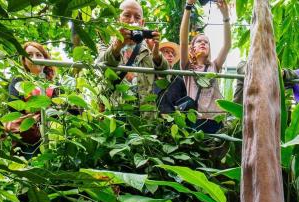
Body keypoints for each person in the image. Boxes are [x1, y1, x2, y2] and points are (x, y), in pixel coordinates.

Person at [97, 0, 168, 114]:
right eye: (127, 15)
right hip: (113, 112)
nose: (132, 21)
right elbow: (102, 67)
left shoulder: (149, 46)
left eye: (137, 17)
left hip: (144, 115)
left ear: (142, 23)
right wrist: (116, 47)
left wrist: (156, 54)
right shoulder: (106, 41)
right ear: (118, 19)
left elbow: (165, 75)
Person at [179, 0, 231, 133]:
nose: (203, 43)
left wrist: (225, 16)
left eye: (206, 42)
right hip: (195, 119)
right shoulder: (187, 66)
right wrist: (188, 7)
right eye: (199, 41)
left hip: (214, 120)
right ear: (192, 48)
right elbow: (183, 41)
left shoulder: (214, 66)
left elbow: (227, 45)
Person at [4, 42, 57, 156]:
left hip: (54, 137)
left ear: (45, 59)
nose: (34, 58)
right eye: (29, 55)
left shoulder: (55, 85)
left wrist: (31, 107)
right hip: (27, 139)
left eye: (38, 55)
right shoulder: (19, 81)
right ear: (24, 61)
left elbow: (61, 110)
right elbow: (13, 106)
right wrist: (45, 107)